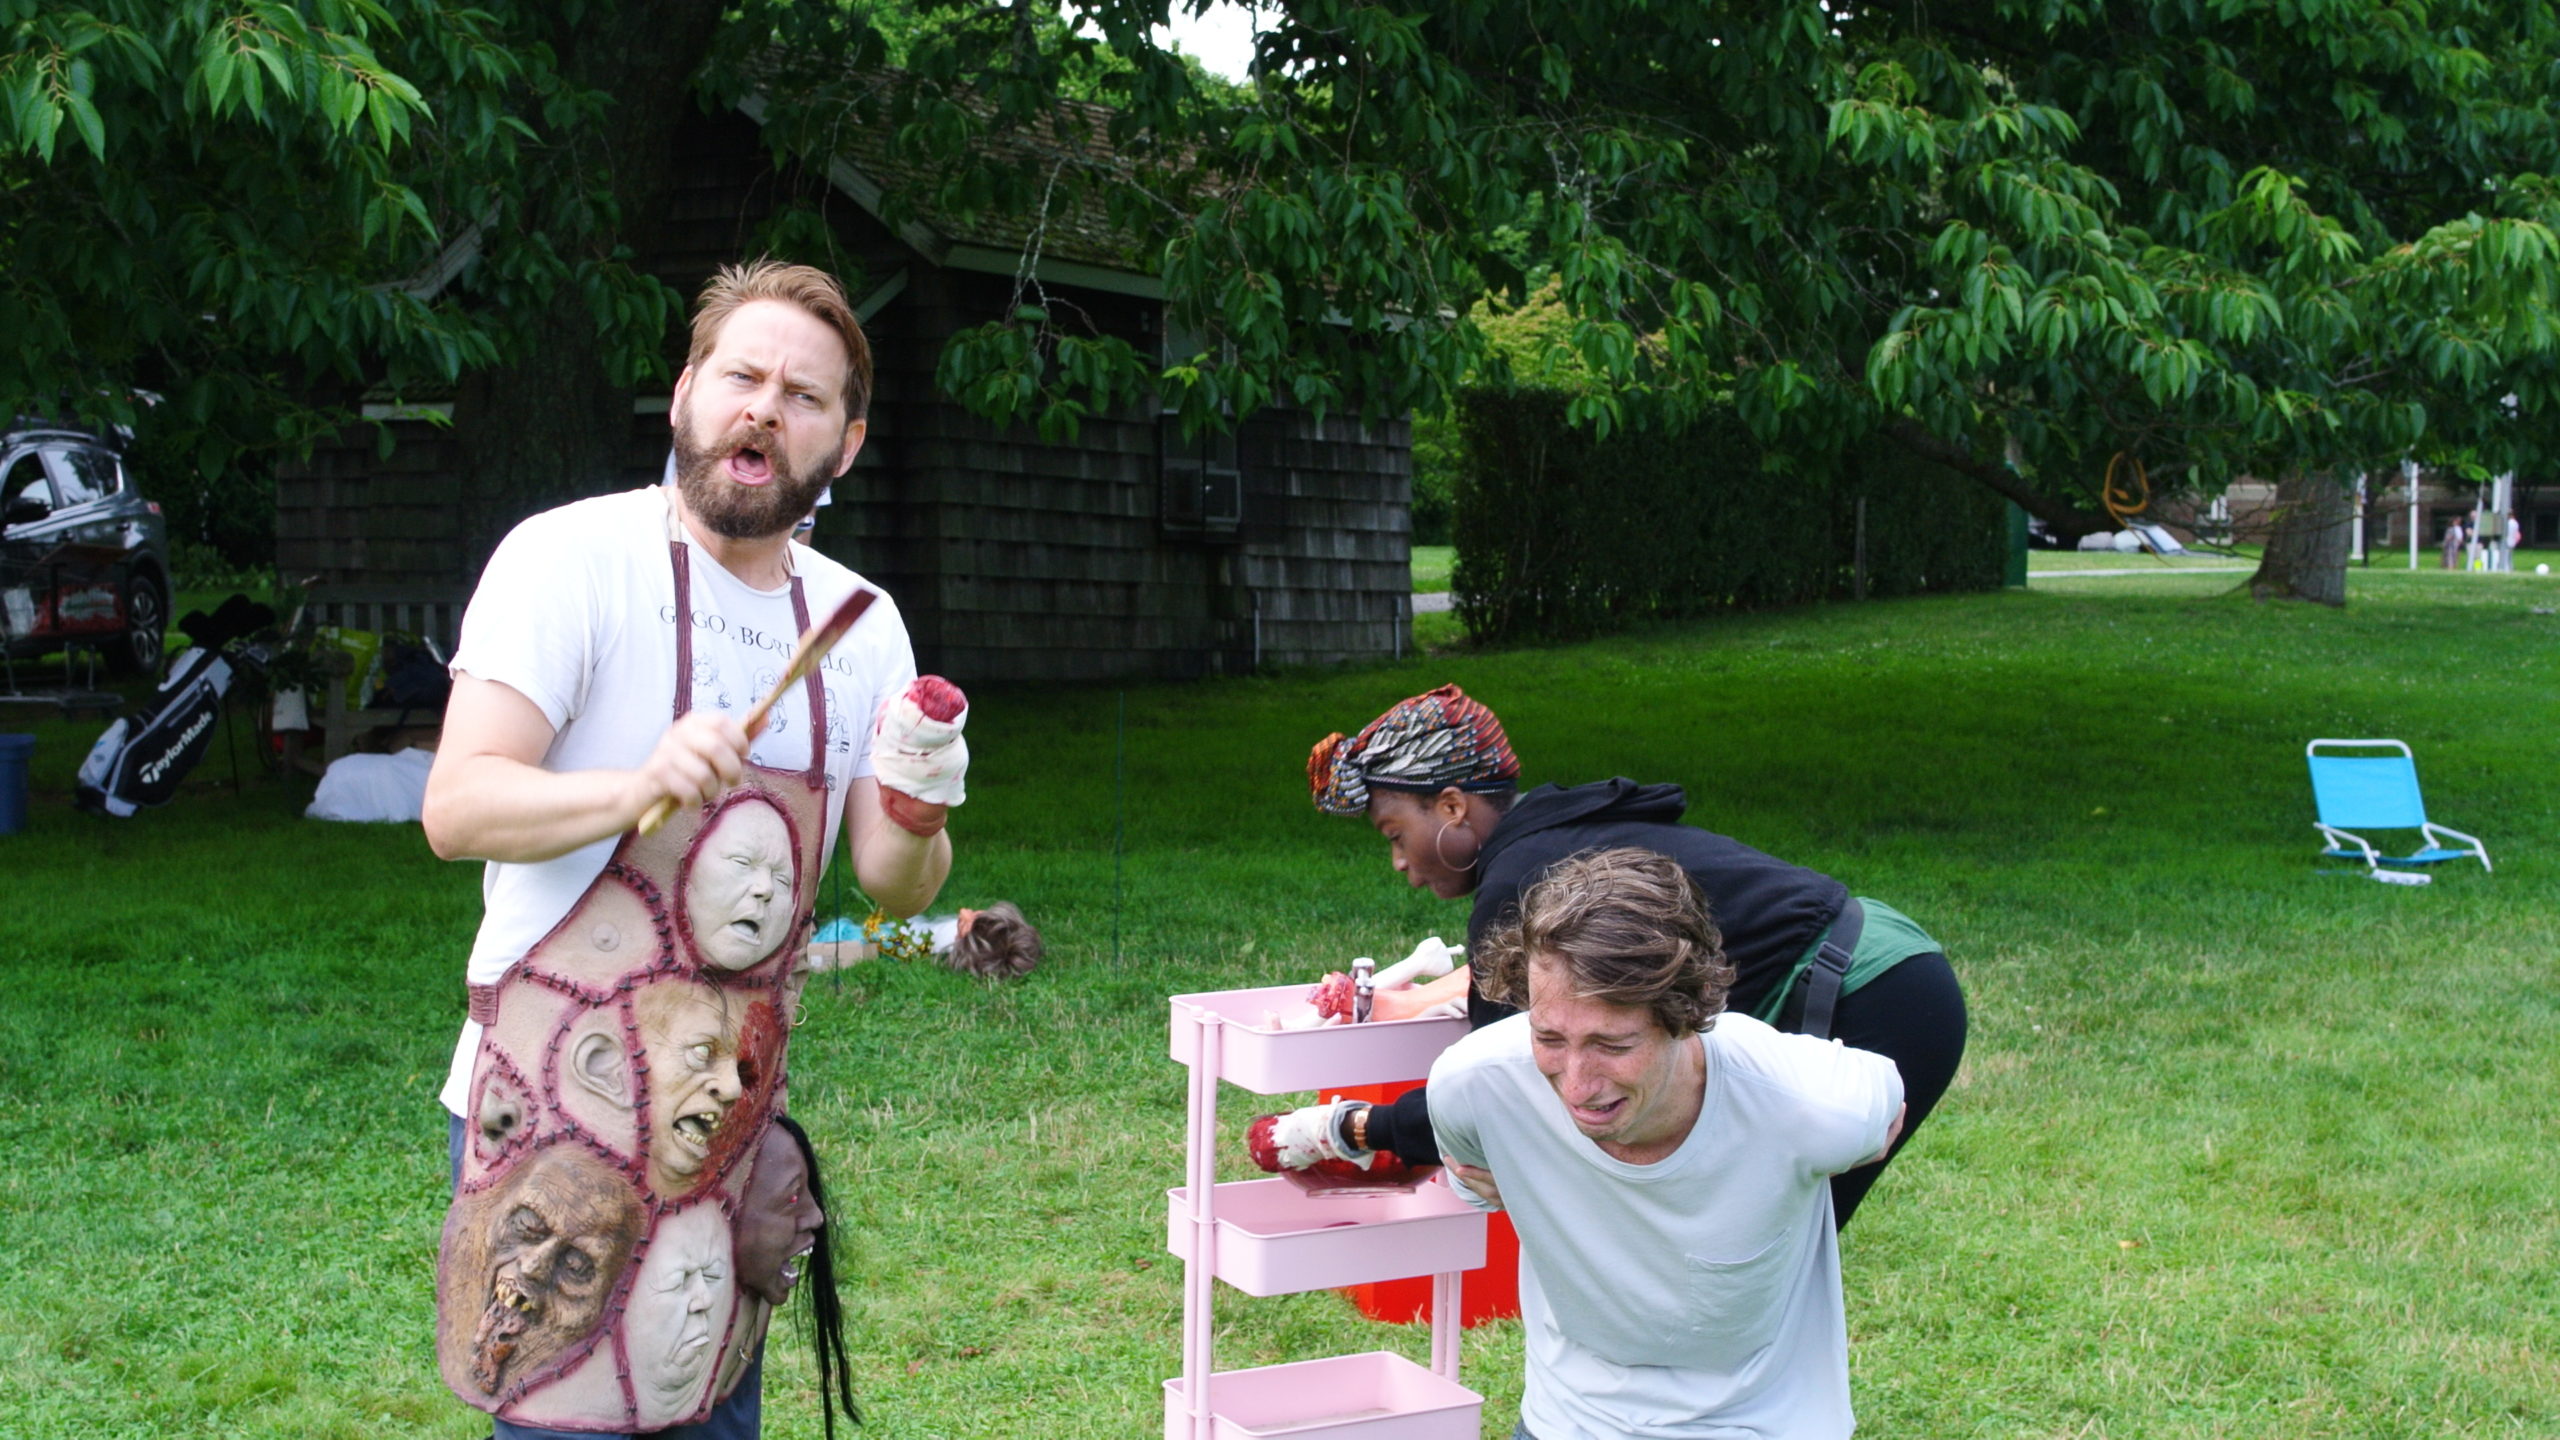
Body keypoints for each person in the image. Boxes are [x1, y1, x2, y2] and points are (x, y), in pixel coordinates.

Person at [423, 259, 966, 1438]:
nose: (764, 407)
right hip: (548, 1121)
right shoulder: (569, 560)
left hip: (719, 1123)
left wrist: (923, 809)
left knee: (710, 1413)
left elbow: (891, 881)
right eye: (742, 376)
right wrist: (636, 784)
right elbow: (456, 805)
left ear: (847, 442)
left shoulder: (856, 625)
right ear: (684, 396)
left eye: (804, 395)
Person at [1257, 683, 1963, 1227]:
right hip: (1884, 959)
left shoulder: (1517, 882)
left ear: (1449, 808)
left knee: (1765, 1248)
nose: (1399, 863)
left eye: (1392, 832)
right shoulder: (1547, 841)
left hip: (1874, 993)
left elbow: (1503, 1088)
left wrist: (1349, 1128)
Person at [1432, 847, 1904, 1440]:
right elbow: (1475, 1174)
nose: (1576, 1084)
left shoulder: (1811, 1104)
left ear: (1685, 1015)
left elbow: (1884, 1108)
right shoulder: (1474, 1087)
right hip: (1568, 1423)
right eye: (1549, 1037)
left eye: (1613, 1045)